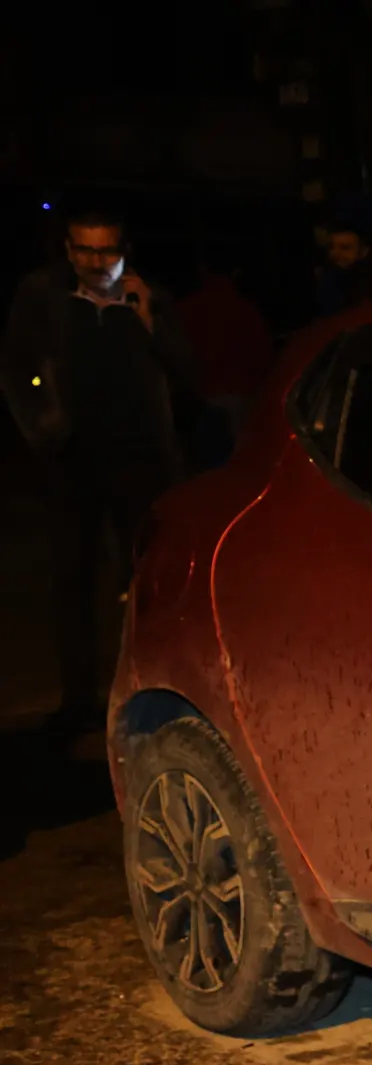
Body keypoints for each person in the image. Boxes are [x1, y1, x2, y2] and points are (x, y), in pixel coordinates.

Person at [2, 209, 197, 733]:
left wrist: (149, 321)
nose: (94, 262)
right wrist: (43, 430)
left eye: (104, 250)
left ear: (123, 248)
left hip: (141, 461)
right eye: (83, 250)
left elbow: (187, 373)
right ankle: (78, 700)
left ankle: (150, 692)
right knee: (72, 579)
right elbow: (18, 368)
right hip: (72, 460)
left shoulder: (149, 298)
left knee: (145, 581)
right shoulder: (44, 296)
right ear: (67, 250)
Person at [176, 252, 272, 466]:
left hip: (204, 398)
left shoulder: (187, 309)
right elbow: (262, 356)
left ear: (203, 270)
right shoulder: (246, 309)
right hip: (240, 399)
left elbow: (181, 356)